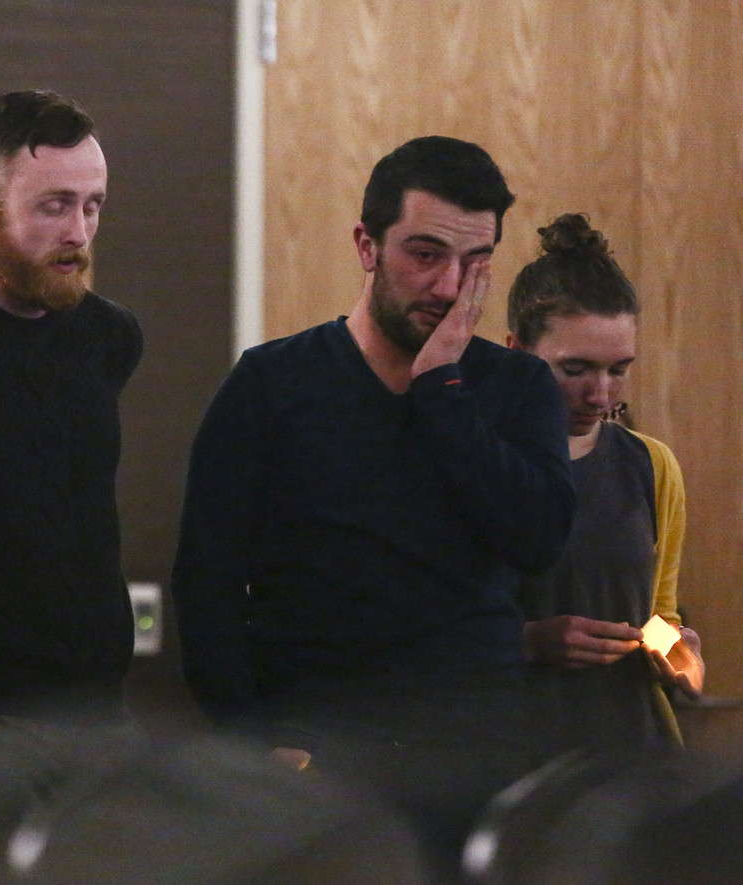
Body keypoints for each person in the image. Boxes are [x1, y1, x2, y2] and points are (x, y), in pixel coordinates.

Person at [170, 136, 575, 873]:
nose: (449, 286)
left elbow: (538, 538)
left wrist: (442, 389)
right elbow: (207, 582)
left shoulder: (517, 387)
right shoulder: (270, 385)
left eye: (475, 262)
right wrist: (254, 741)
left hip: (472, 755)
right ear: (367, 246)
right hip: (318, 749)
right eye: (425, 254)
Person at [0, 90, 144, 790]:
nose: (78, 230)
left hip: (98, 702)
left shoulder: (110, 334)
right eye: (54, 206)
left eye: (93, 206)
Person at [505, 212, 703, 762]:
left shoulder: (652, 466)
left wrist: (676, 653)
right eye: (575, 370)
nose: (600, 394)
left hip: (633, 752)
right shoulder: (476, 460)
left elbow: (658, 614)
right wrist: (528, 641)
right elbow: (421, 632)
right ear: (516, 353)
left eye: (618, 369)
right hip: (508, 758)